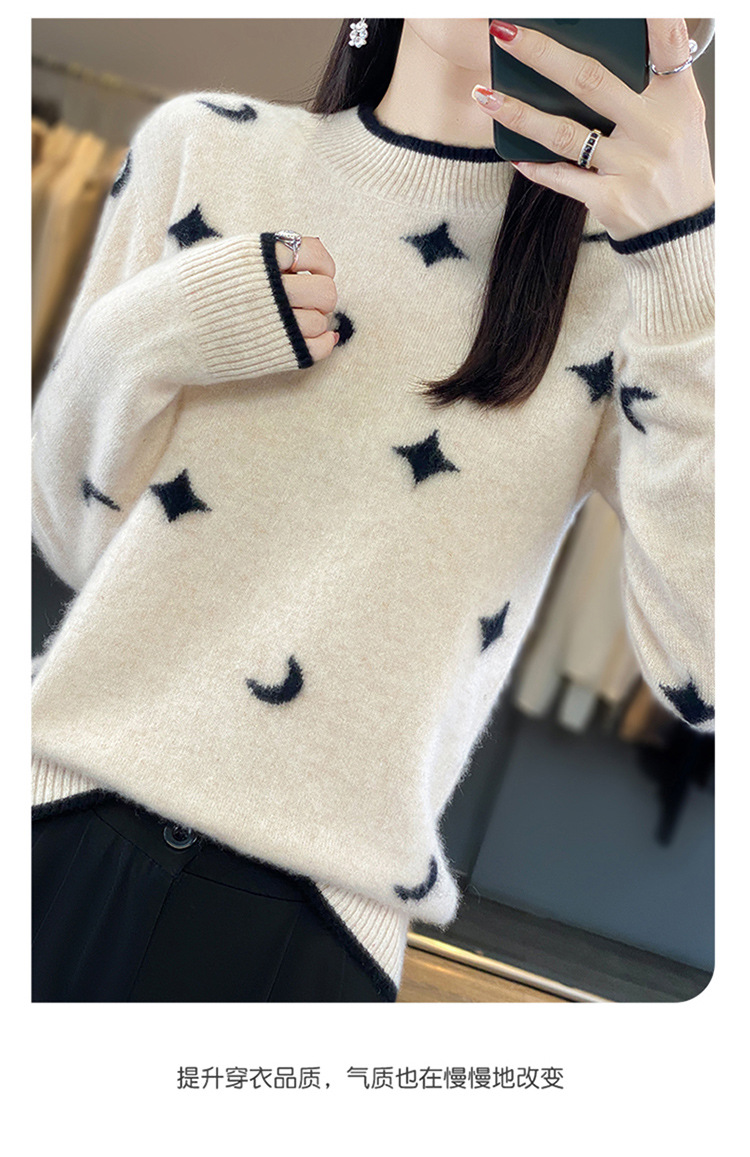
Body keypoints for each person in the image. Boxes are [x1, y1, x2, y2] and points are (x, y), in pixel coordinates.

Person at [31, 18, 715, 1002]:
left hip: (312, 928)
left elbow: (708, 671)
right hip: (55, 815)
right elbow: (73, 535)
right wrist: (149, 333)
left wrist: (688, 263)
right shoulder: (205, 146)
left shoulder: (635, 288)